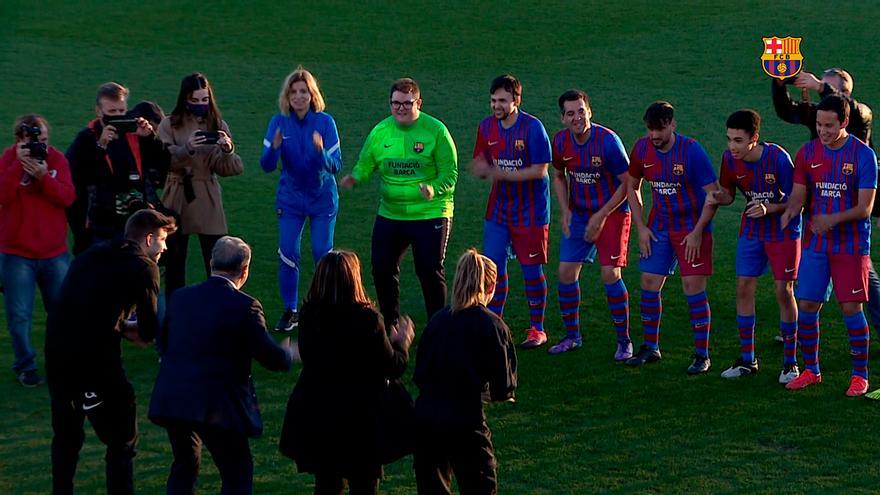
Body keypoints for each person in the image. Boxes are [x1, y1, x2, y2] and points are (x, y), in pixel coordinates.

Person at [45, 209, 176, 495]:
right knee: (123, 439)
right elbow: (149, 331)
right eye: (163, 240)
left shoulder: (91, 256)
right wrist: (129, 328)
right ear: (149, 238)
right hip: (95, 365)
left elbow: (84, 303)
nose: (165, 248)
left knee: (66, 439)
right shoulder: (144, 267)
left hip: (56, 357)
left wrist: (119, 323)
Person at [149, 236, 293, 494]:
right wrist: (288, 354)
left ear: (212, 262)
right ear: (244, 270)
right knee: (237, 471)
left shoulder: (181, 297)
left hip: (174, 397)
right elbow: (268, 356)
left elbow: (163, 341)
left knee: (184, 465)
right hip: (218, 405)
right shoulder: (245, 306)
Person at [279, 250, 414, 495]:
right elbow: (393, 367)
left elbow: (310, 356)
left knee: (327, 485)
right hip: (360, 420)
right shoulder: (368, 319)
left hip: (320, 413)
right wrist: (402, 343)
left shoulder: (310, 315)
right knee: (364, 485)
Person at [340, 77, 457, 328]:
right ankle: (390, 323)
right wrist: (355, 177)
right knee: (381, 266)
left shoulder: (436, 131)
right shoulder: (381, 131)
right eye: (395, 103)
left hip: (430, 213)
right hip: (391, 213)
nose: (400, 108)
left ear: (419, 103)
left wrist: (433, 189)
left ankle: (438, 327)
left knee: (429, 270)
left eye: (406, 103)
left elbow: (450, 173)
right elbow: (367, 161)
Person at [780, 95, 877, 396]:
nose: (822, 131)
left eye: (829, 126)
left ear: (845, 122)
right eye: (819, 125)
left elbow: (865, 208)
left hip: (850, 245)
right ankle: (812, 370)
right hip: (817, 245)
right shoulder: (807, 153)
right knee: (807, 304)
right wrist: (787, 211)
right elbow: (798, 195)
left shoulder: (863, 156)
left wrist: (830, 219)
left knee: (851, 307)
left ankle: (860, 375)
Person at [772, 67, 880, 334]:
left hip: (851, 207)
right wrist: (779, 80)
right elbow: (786, 111)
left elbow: (855, 111)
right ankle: (802, 324)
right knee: (816, 273)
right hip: (820, 201)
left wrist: (821, 87)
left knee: (865, 277)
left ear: (845, 94)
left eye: (831, 89)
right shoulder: (823, 120)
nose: (822, 129)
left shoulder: (861, 114)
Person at [624, 101, 721, 374]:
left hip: (692, 228)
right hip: (660, 227)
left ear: (672, 125)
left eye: (660, 129)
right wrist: (641, 227)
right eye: (650, 129)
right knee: (648, 282)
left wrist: (698, 232)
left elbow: (712, 195)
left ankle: (702, 354)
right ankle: (650, 347)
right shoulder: (642, 149)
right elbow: (632, 186)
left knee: (693, 288)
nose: (654, 135)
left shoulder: (692, 152)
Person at [705, 110, 801, 383]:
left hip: (783, 230)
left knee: (783, 291)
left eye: (738, 140)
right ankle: (748, 360)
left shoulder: (778, 159)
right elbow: (728, 195)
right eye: (729, 140)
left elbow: (797, 201)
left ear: (754, 139)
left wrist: (768, 207)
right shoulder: (729, 160)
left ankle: (790, 363)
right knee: (744, 287)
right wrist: (715, 196)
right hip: (752, 229)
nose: (731, 146)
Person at [413, 249, 517, 495]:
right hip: (465, 422)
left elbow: (420, 374)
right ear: (490, 286)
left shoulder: (437, 321)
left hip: (426, 421)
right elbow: (504, 388)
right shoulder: (492, 326)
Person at [547, 89, 633, 360]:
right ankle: (573, 336)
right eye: (570, 113)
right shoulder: (560, 142)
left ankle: (624, 341)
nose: (577, 117)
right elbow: (558, 176)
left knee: (610, 275)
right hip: (581, 213)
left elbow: (628, 183)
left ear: (590, 112)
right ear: (562, 118)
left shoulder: (608, 142)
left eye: (581, 111)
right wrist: (564, 210)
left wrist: (602, 215)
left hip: (614, 213)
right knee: (565, 273)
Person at [470, 74, 553, 349]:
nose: (496, 106)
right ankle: (495, 323)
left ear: (516, 101)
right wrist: (481, 170)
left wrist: (500, 172)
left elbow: (541, 170)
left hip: (531, 212)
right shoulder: (486, 127)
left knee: (531, 270)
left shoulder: (533, 128)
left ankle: (537, 329)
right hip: (499, 211)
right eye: (493, 100)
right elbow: (481, 164)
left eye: (503, 101)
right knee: (492, 268)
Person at [260, 67, 342, 332]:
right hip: (291, 199)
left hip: (322, 199)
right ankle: (290, 309)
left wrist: (320, 153)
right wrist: (273, 148)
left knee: (322, 252)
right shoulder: (279, 122)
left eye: (303, 91)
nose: (298, 96)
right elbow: (266, 166)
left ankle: (327, 305)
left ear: (312, 94)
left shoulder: (325, 122)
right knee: (288, 252)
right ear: (287, 96)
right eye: (293, 92)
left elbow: (336, 165)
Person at [0, 115, 75, 387]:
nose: (40, 146)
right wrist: (17, 167)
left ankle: (63, 362)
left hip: (54, 252)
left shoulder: (56, 160)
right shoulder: (8, 159)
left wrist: (44, 177)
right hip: (17, 253)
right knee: (19, 316)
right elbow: (2, 196)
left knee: (62, 313)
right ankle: (25, 366)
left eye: (43, 140)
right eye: (34, 141)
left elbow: (67, 197)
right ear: (20, 141)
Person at [159, 72, 244, 300]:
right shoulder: (169, 124)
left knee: (217, 261)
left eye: (204, 100)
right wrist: (187, 148)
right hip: (178, 195)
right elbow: (162, 161)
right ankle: (175, 319)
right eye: (194, 100)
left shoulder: (217, 124)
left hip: (206, 194)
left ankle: (217, 311)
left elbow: (231, 168)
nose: (200, 105)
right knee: (175, 264)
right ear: (184, 99)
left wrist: (227, 151)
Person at [65, 82, 165, 254]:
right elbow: (78, 177)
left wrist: (150, 138)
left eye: (121, 111)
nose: (118, 116)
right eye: (112, 112)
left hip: (133, 220)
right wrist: (101, 146)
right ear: (99, 112)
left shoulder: (134, 134)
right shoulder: (86, 138)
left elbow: (163, 162)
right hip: (99, 223)